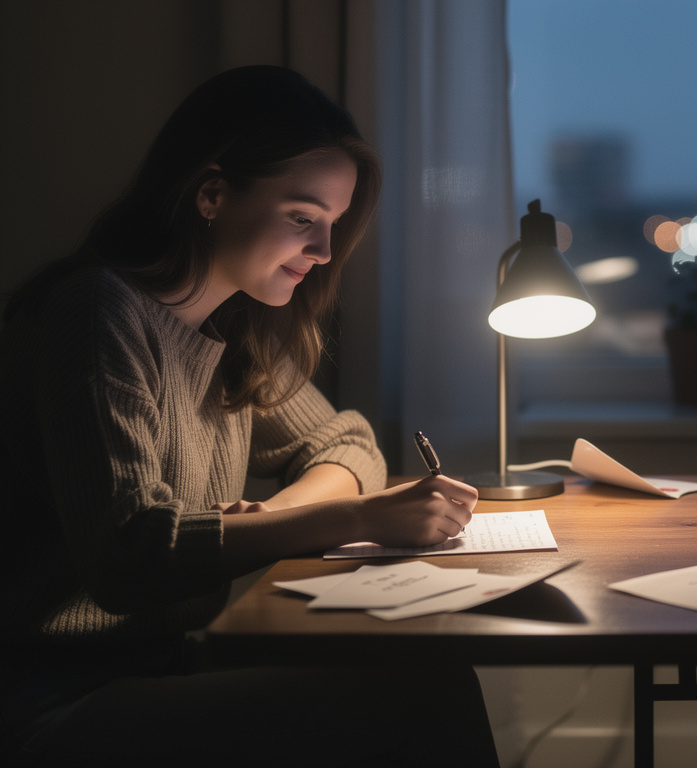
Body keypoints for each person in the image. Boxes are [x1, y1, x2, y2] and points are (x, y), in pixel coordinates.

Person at [0, 66, 500, 766]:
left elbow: (347, 442)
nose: (324, 252)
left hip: (161, 666)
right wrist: (354, 519)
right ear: (211, 194)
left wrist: (271, 518)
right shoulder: (97, 314)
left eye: (330, 224)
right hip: (50, 703)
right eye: (303, 218)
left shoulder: (230, 328)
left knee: (431, 683)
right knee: (428, 701)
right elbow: (128, 557)